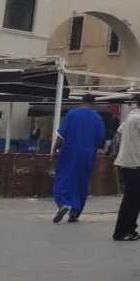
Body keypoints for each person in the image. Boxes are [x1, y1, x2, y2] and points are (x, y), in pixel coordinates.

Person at [50, 94, 107, 223]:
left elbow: (61, 136)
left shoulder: (72, 114)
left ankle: (63, 203)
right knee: (81, 182)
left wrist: (54, 151)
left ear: (82, 102)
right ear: (93, 103)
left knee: (63, 179)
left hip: (69, 153)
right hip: (87, 155)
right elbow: (100, 138)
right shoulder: (97, 118)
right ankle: (74, 213)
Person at [112, 93, 140, 241]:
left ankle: (130, 229)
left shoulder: (131, 117)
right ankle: (121, 232)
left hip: (131, 162)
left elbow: (119, 133)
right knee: (132, 199)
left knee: (135, 198)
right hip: (136, 163)